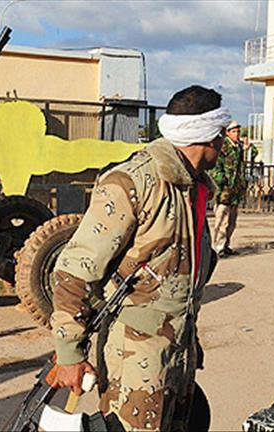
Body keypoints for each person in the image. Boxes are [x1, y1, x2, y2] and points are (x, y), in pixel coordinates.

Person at [48, 85, 224, 431]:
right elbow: (75, 270)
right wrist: (69, 353)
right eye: (221, 132)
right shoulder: (134, 182)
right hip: (136, 356)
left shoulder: (193, 188)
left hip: (177, 350)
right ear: (207, 135)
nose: (225, 142)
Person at [211, 120, 249, 257]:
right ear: (227, 133)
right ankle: (218, 247)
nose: (236, 134)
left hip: (235, 189)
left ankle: (226, 244)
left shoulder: (238, 147)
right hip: (224, 189)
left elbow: (245, 161)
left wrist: (247, 148)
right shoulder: (223, 147)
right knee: (222, 219)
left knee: (232, 220)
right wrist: (222, 180)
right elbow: (216, 166)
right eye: (234, 131)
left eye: (238, 131)